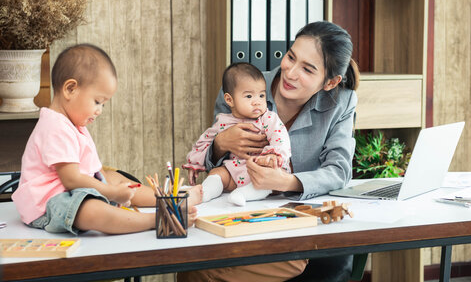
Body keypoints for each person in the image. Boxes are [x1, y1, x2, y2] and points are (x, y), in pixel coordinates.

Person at [178, 21, 360, 282]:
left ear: (330, 82)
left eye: (307, 69)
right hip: (237, 214)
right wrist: (221, 143)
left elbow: (339, 170)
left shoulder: (340, 102)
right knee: (193, 264)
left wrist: (288, 181)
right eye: (291, 57)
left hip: (292, 220)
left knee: (206, 272)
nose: (290, 72)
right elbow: (215, 166)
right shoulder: (243, 86)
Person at [12, 44, 200, 235]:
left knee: (115, 177)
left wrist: (112, 185)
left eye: (102, 104)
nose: (99, 110)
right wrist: (111, 193)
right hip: (48, 202)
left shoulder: (75, 124)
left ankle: (169, 199)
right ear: (70, 89)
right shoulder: (54, 126)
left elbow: (94, 168)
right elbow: (71, 179)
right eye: (97, 101)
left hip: (72, 190)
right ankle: (157, 219)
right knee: (91, 210)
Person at [183, 62, 291, 206]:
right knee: (217, 173)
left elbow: (280, 137)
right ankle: (205, 193)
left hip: (261, 169)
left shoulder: (268, 118)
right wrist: (194, 163)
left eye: (261, 95)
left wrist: (274, 155)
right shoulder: (223, 121)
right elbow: (204, 141)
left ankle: (244, 194)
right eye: (248, 96)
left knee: (271, 181)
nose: (257, 102)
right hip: (234, 169)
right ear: (229, 100)